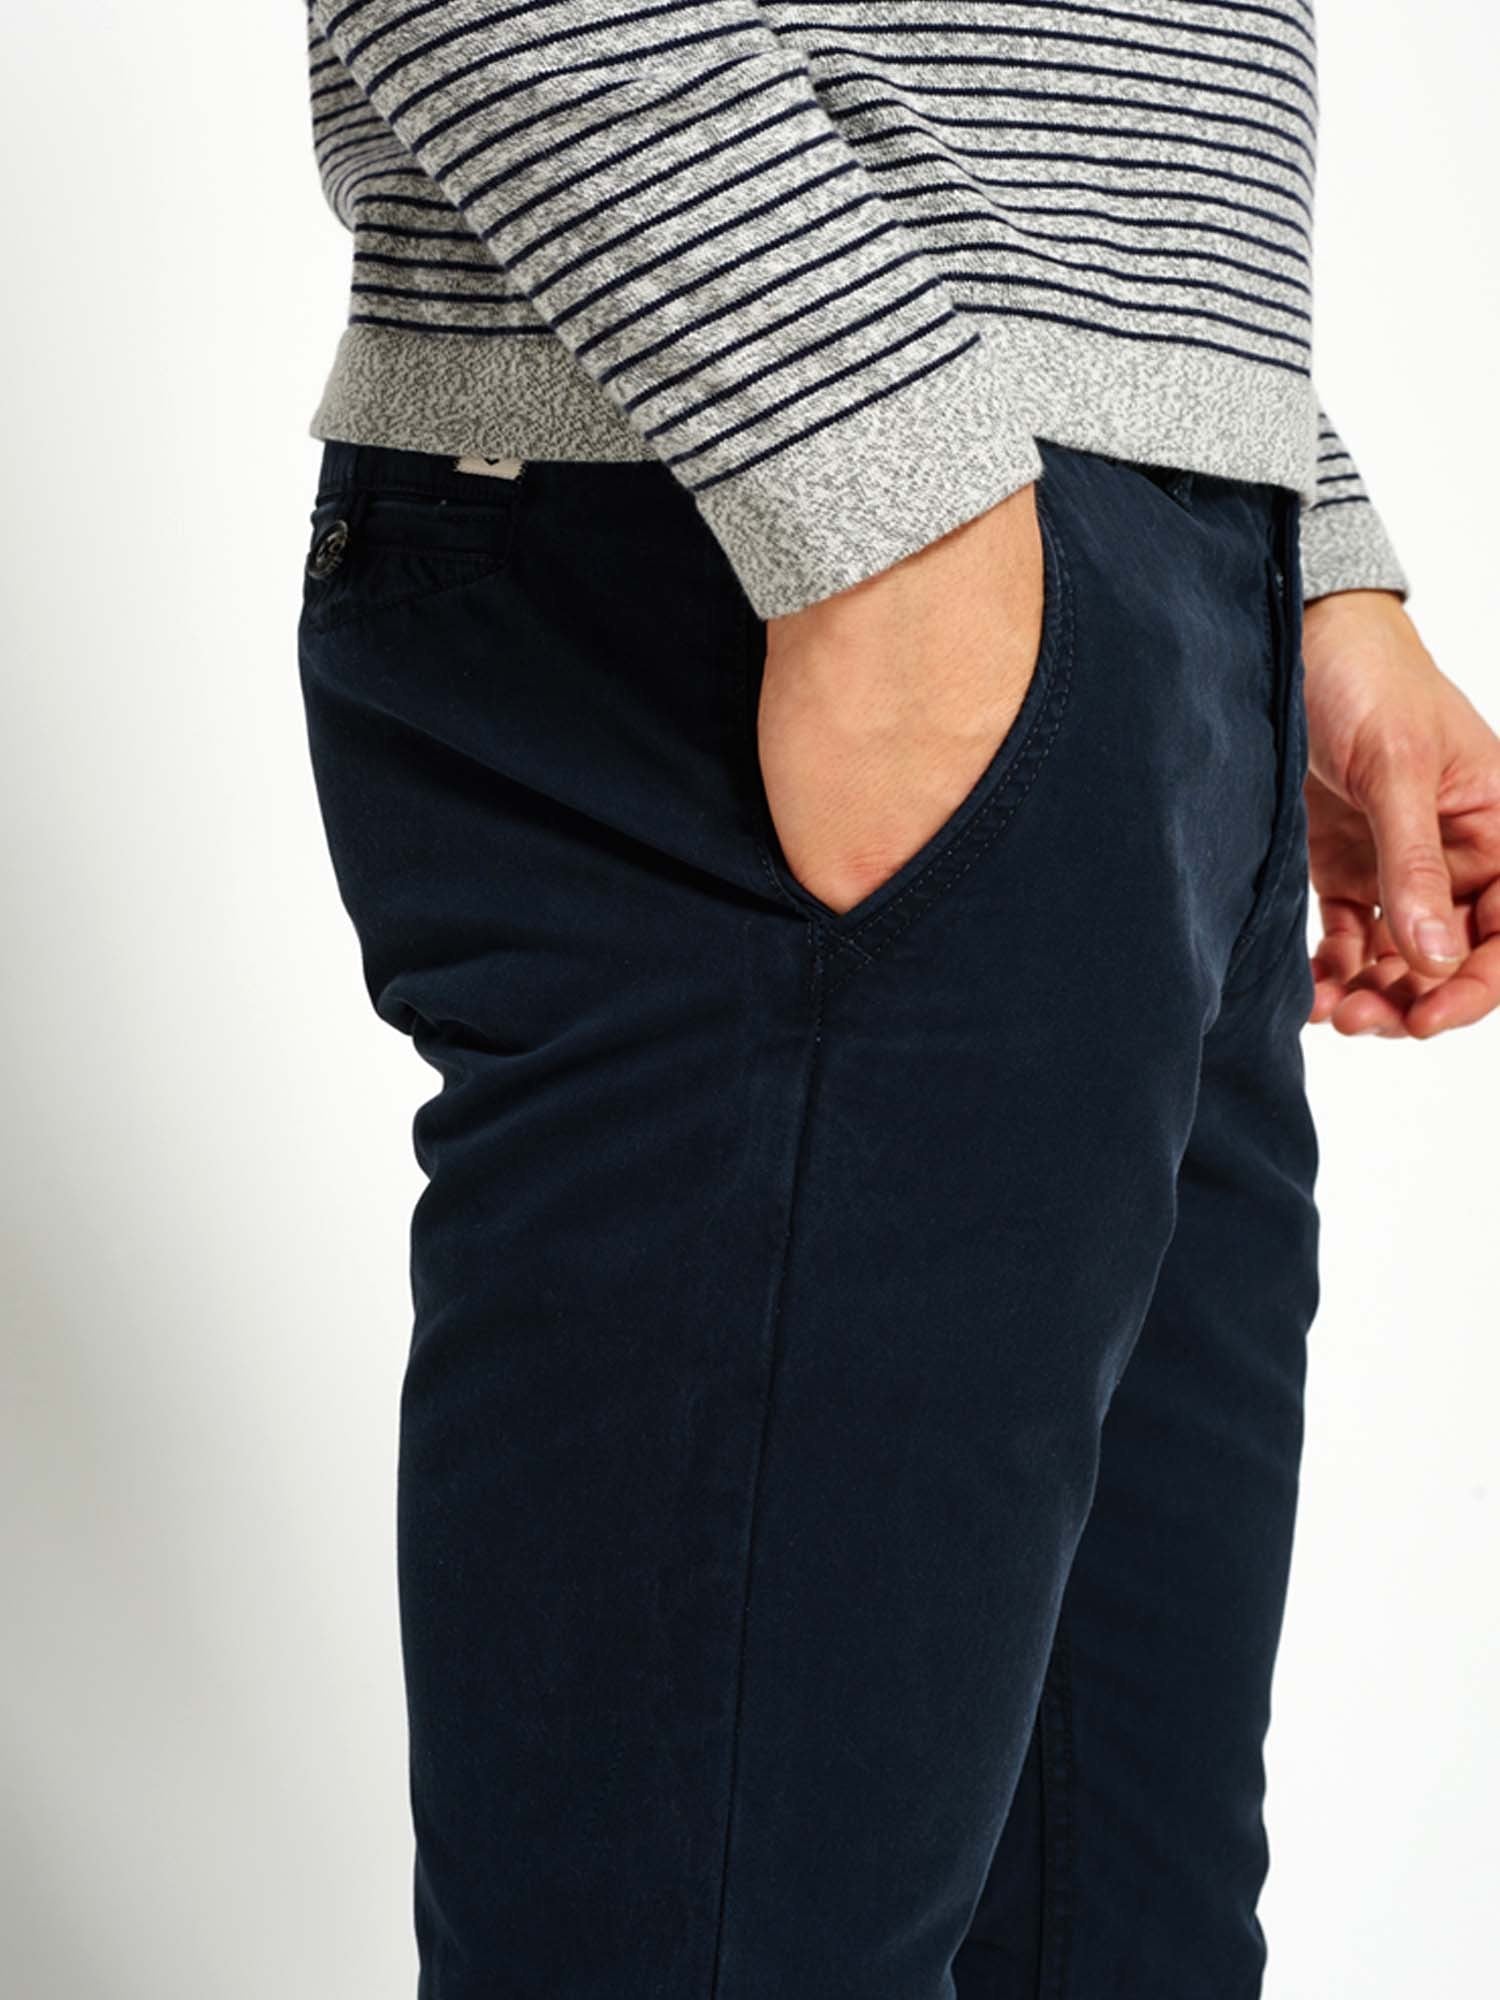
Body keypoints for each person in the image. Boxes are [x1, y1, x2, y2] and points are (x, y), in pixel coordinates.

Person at [295, 5, 1499, 1995]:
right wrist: (880, 504)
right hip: (775, 532)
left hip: (1129, 560)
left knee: (1124, 1936)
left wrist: (1310, 557)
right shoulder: (870, 513)